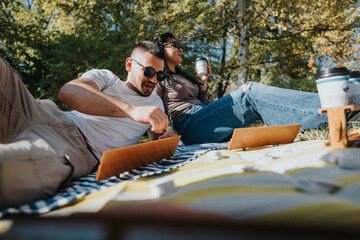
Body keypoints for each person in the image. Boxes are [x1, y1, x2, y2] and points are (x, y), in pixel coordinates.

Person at [0, 41, 173, 209]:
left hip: (74, 147)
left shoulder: (156, 103)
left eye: (160, 75)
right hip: (42, 112)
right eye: (149, 71)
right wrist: (132, 110)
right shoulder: (107, 78)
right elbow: (69, 92)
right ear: (129, 64)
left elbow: (158, 141)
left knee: (8, 168)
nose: (154, 79)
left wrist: (165, 138)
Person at [151, 32, 352, 145]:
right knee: (249, 92)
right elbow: (151, 108)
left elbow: (200, 101)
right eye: (173, 44)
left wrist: (202, 81)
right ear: (160, 49)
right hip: (189, 126)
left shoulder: (180, 75)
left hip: (201, 118)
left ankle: (331, 113)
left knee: (251, 99)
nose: (180, 48)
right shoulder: (158, 76)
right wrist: (160, 141)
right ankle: (334, 109)